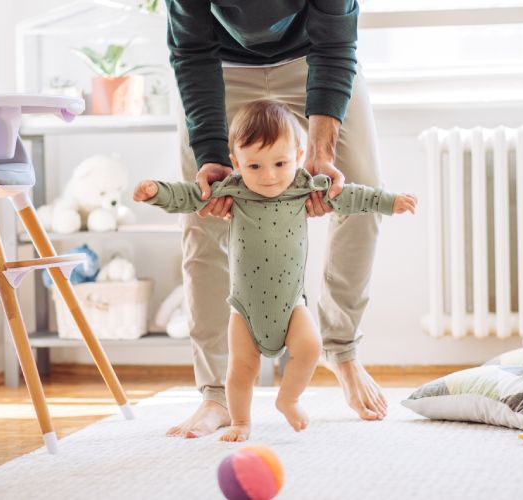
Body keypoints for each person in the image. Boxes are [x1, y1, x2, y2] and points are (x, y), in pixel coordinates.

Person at [166, 0, 393, 437]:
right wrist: (213, 157)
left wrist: (321, 156)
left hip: (312, 56)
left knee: (360, 191)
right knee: (203, 216)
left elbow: (335, 42)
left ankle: (341, 351)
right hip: (218, 64)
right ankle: (216, 392)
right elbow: (191, 52)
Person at [134, 100, 417, 441]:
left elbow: (353, 197)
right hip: (245, 310)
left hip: (291, 306)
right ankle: (239, 421)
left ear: (299, 157)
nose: (268, 176)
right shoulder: (234, 189)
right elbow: (190, 197)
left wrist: (390, 201)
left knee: (310, 347)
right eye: (254, 165)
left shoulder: (304, 186)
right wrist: (156, 193)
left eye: (280, 163)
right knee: (241, 370)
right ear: (235, 162)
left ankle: (289, 398)